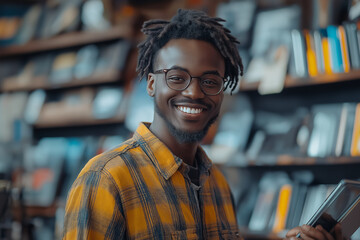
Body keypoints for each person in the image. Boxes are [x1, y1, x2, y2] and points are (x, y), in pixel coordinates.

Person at [63, 9, 343, 240]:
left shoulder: (218, 185)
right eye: (176, 77)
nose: (194, 93)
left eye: (210, 81)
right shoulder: (106, 179)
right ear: (151, 84)